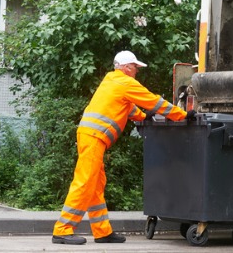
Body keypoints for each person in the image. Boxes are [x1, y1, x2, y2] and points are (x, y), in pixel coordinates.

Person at [52, 50, 195, 245]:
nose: (137, 71)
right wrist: (182, 115)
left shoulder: (112, 81)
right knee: (85, 182)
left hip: (90, 136)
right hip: (93, 137)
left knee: (95, 184)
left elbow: (126, 106)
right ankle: (62, 230)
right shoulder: (125, 82)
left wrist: (144, 117)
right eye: (135, 67)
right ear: (127, 67)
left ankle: (102, 232)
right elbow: (153, 101)